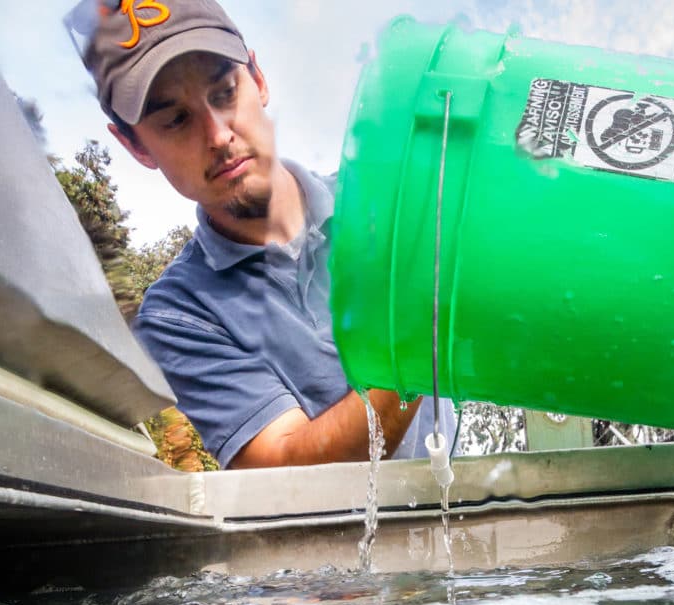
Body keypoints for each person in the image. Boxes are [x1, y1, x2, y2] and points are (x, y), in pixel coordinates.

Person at [73, 0, 455, 469]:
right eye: (175, 119)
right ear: (134, 145)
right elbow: (290, 465)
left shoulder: (388, 207)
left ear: (258, 78)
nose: (217, 135)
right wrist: (419, 326)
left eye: (224, 92)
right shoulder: (179, 316)